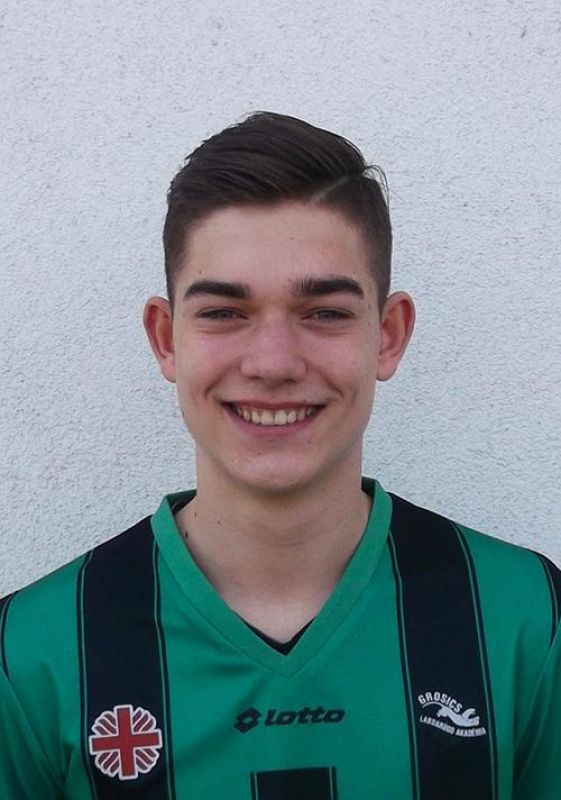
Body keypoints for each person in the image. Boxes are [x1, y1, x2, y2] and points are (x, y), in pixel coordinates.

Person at [0, 112, 559, 800]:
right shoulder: (34, 653)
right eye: (223, 312)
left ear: (387, 335)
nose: (272, 363)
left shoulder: (523, 618)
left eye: (324, 312)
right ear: (166, 339)